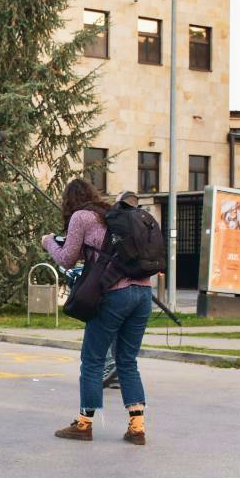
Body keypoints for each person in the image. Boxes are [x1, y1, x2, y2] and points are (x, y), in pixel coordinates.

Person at [43, 179, 155, 445]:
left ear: (68, 200)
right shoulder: (113, 215)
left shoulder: (81, 217)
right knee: (127, 361)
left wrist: (48, 242)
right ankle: (137, 427)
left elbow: (66, 258)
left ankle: (83, 424)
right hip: (143, 293)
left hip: (115, 294)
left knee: (92, 360)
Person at [100, 189, 140, 391]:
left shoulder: (117, 224)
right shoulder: (144, 222)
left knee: (106, 328)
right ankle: (120, 375)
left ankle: (109, 367)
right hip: (141, 290)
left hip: (117, 287)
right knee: (125, 337)